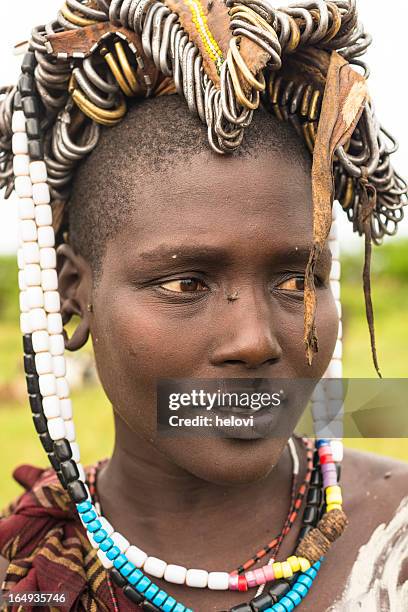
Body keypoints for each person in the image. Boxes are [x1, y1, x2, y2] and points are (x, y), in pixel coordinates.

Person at [0, 0, 407, 611]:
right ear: (70, 295)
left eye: (297, 280)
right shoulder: (24, 573)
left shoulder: (395, 535)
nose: (254, 340)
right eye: (185, 283)